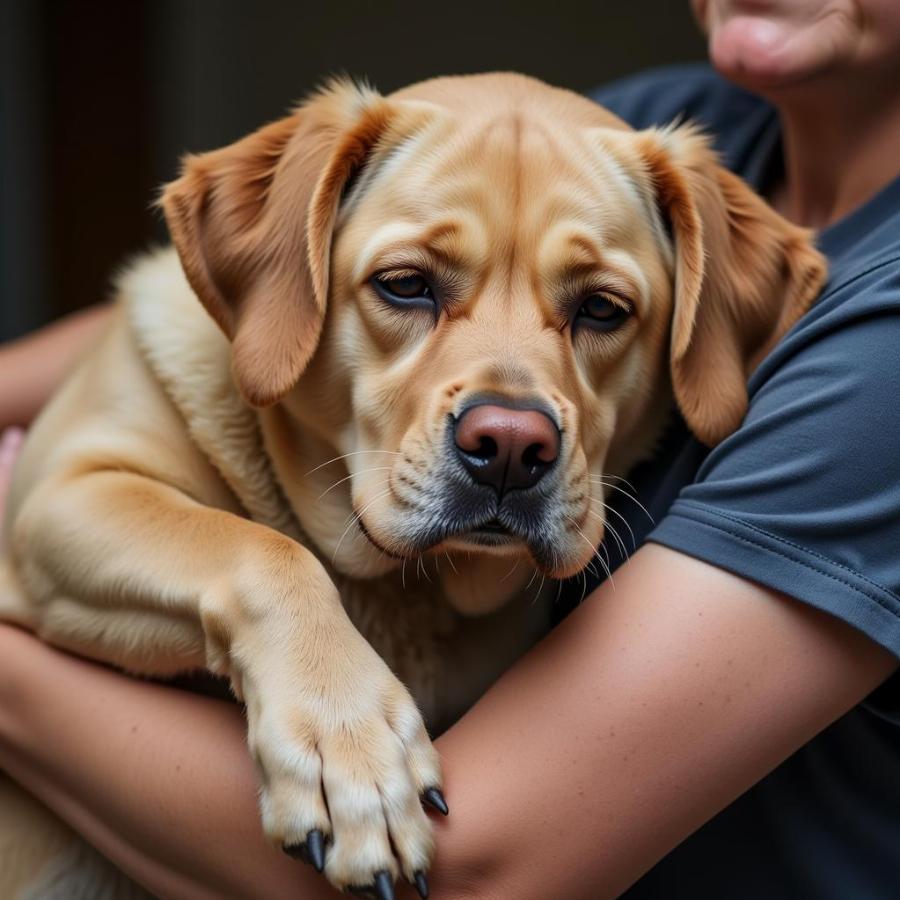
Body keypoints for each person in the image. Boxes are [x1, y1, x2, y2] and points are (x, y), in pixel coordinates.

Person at [2, 1, 899, 896]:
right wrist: (267, 599)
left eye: (597, 310)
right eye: (409, 286)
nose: (509, 427)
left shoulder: (859, 328)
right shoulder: (653, 127)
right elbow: (148, 355)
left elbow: (472, 879)